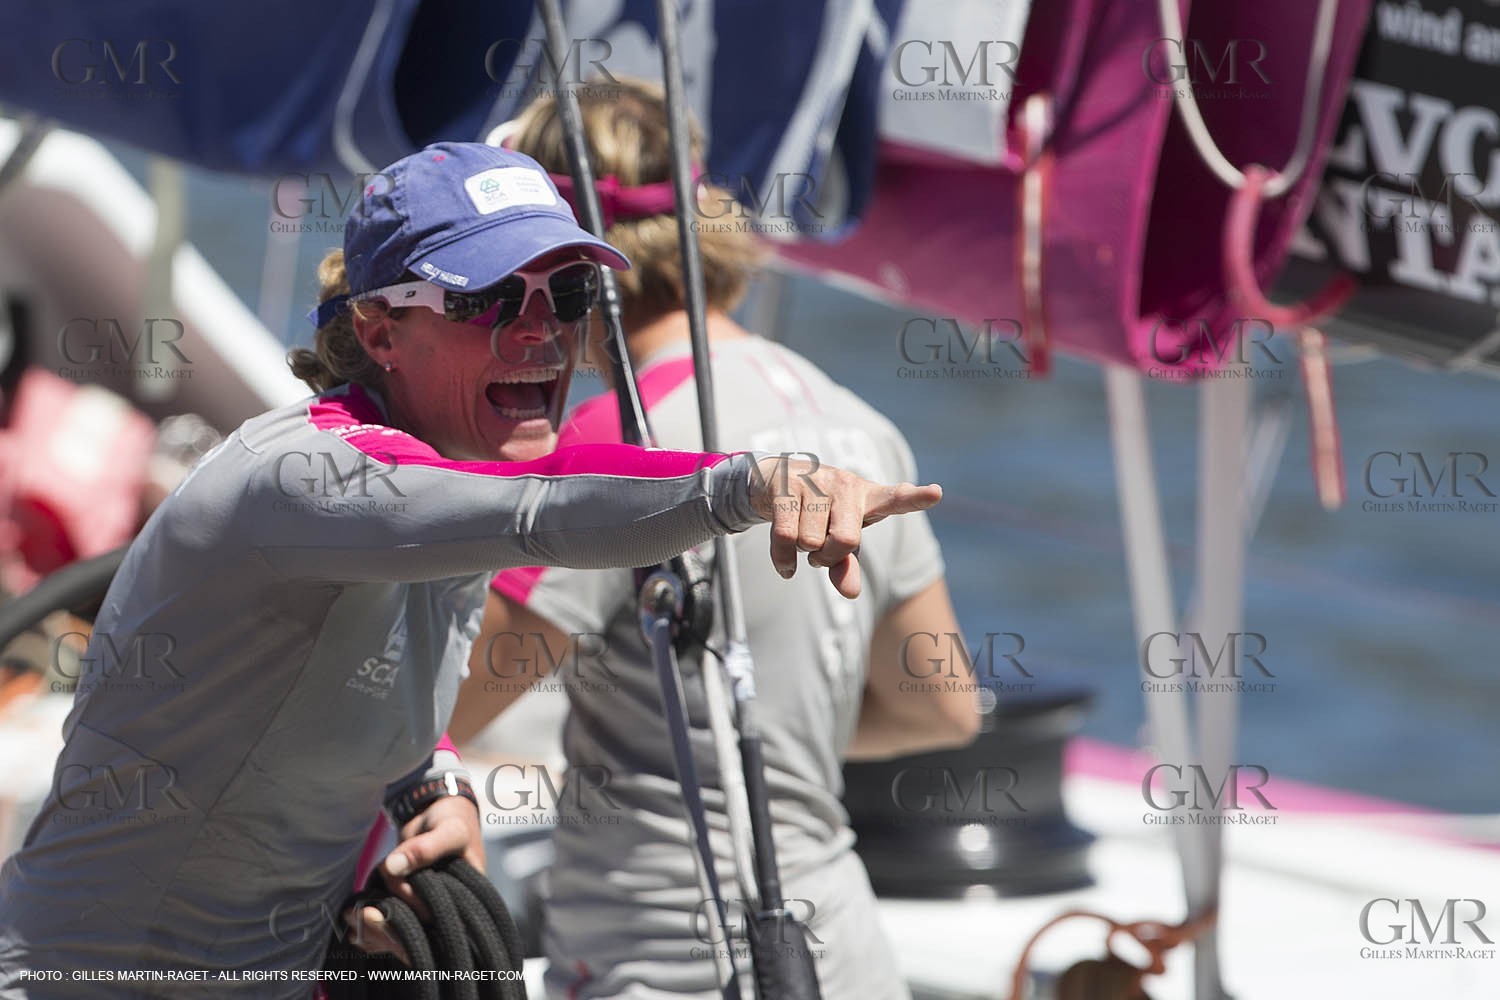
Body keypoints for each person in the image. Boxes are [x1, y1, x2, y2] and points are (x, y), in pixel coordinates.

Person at [0, 142, 940, 997]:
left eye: (564, 297)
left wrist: (433, 791)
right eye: (486, 300)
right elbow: (549, 514)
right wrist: (755, 485)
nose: (539, 333)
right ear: (379, 332)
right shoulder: (308, 477)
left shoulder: (447, 496)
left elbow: (393, 689)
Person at [447, 83, 979, 999]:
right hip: (841, 955)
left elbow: (447, 713)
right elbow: (943, 707)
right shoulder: (860, 427)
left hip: (662, 960)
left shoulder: (612, 442)